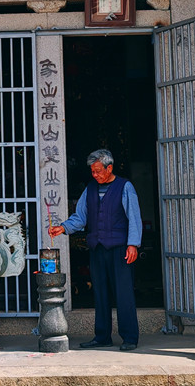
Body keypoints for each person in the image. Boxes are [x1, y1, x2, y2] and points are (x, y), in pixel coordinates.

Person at [48, 148, 142, 351]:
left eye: (99, 171)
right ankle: (102, 336)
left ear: (110, 168)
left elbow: (134, 218)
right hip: (97, 248)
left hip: (120, 249)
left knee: (124, 293)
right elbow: (80, 217)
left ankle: (130, 337)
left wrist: (133, 244)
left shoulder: (125, 187)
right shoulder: (90, 189)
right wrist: (63, 227)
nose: (95, 175)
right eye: (93, 171)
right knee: (100, 293)